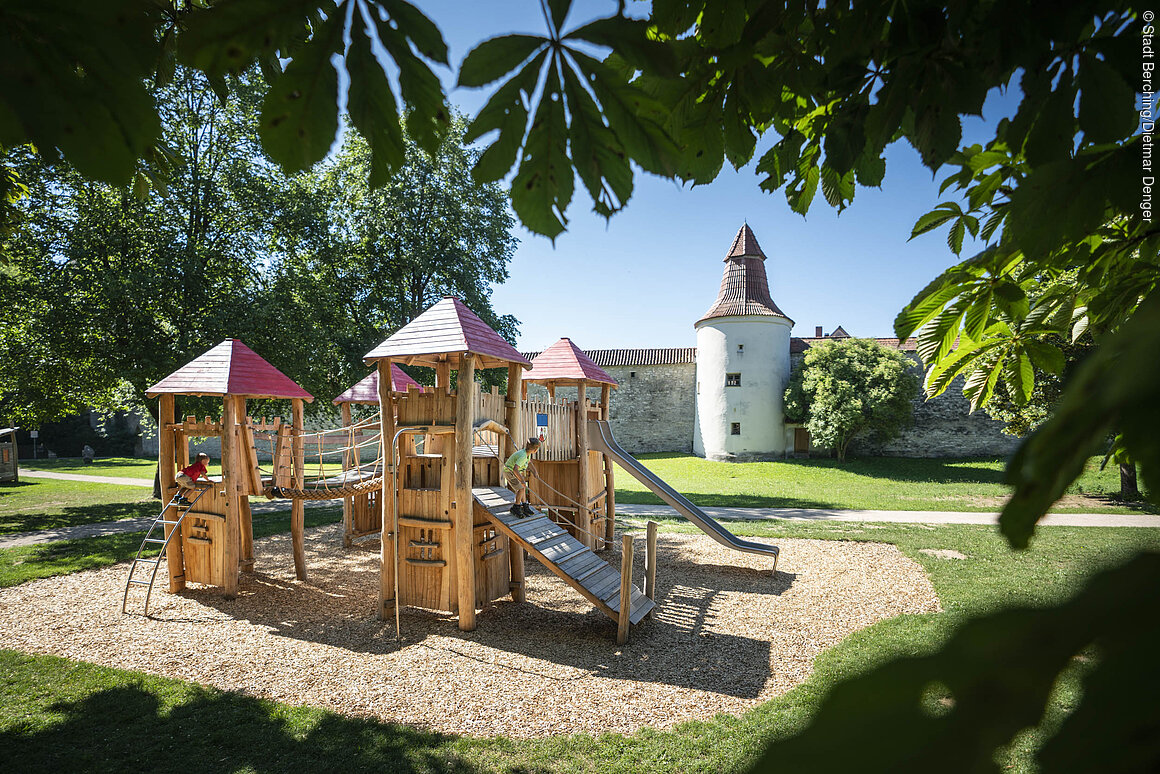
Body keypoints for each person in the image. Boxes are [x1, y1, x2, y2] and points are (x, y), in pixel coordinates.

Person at [503, 437, 540, 517]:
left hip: (514, 472)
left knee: (523, 487)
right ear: (535, 450)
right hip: (509, 472)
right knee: (521, 488)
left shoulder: (527, 453)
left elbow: (529, 463)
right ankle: (516, 507)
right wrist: (522, 480)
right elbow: (515, 469)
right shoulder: (523, 456)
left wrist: (535, 471)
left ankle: (524, 505)